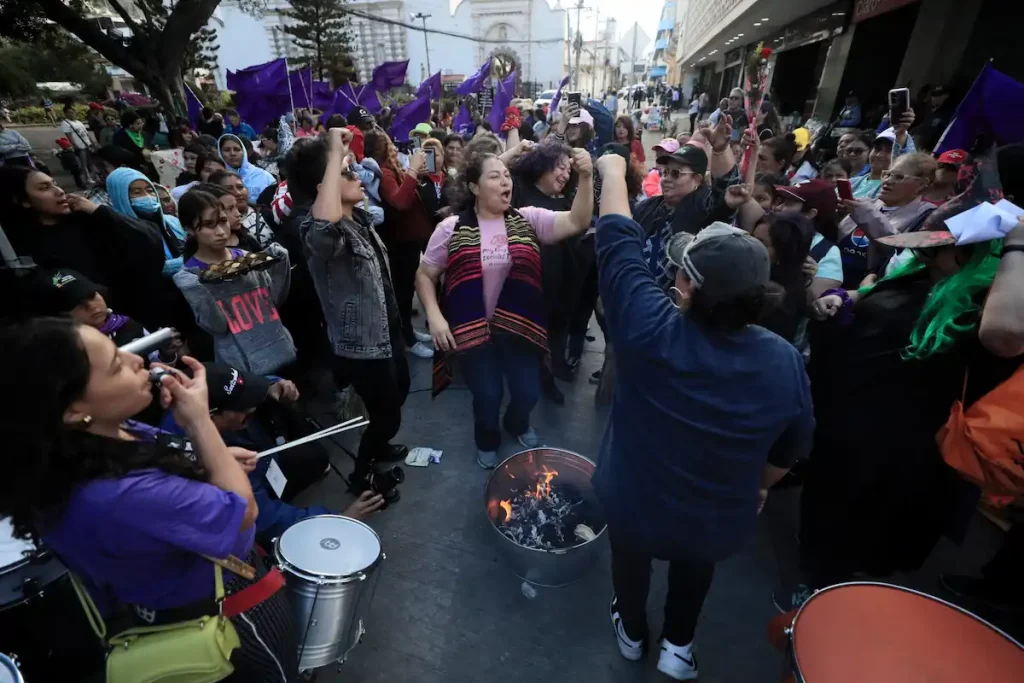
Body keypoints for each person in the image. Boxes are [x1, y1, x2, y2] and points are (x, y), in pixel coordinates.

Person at [591, 152, 813, 682]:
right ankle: (678, 645)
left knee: (630, 562)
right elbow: (790, 448)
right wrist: (759, 487)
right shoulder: (783, 361)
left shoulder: (649, 329)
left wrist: (613, 171)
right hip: (716, 518)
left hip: (634, 504)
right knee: (696, 568)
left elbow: (618, 239)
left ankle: (631, 632)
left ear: (686, 287)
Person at [0, 319, 299, 681]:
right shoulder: (117, 494)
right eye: (115, 366)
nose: (137, 362)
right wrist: (201, 422)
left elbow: (165, 457)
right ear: (74, 410)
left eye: (121, 352)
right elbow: (244, 511)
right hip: (226, 610)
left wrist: (209, 457)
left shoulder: (95, 441)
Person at [781, 207, 1024, 612]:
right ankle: (823, 575)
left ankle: (826, 602)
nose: (923, 255)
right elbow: (875, 300)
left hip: (903, 448)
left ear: (972, 254)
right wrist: (843, 300)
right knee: (830, 508)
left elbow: (1006, 335)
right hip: (847, 421)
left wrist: (1017, 242)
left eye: (937, 249)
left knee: (865, 526)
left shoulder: (984, 306)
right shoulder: (919, 274)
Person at [415, 146, 594, 468]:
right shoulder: (450, 228)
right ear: (474, 187)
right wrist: (435, 317)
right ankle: (487, 438)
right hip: (474, 333)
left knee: (527, 393)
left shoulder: (529, 219)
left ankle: (517, 423)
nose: (504, 182)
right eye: (494, 176)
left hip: (519, 328)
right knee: (487, 396)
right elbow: (426, 275)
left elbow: (578, 220)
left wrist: (586, 176)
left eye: (507, 176)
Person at [294, 128, 410, 499]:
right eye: (346, 172)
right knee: (388, 414)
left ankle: (378, 441)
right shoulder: (318, 232)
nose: (357, 176)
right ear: (322, 184)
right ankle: (362, 472)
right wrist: (331, 154)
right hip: (361, 345)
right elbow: (324, 228)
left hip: (388, 331)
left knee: (398, 393)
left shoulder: (358, 218)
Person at [0, 166, 171, 327]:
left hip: (133, 316)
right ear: (23, 201)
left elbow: (150, 240)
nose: (59, 191)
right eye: (44, 188)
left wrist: (99, 211)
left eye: (55, 184)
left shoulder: (88, 220)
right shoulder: (16, 251)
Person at [174, 188, 295, 375]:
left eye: (222, 221)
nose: (221, 232)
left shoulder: (247, 258)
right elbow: (217, 326)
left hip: (280, 350)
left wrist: (280, 265)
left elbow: (273, 301)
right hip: (242, 367)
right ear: (190, 229)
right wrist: (195, 289)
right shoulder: (191, 276)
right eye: (209, 225)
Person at [508, 139, 581, 402]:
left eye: (568, 171)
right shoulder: (518, 191)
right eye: (559, 167)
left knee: (553, 337)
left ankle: (548, 378)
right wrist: (516, 150)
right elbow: (494, 170)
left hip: (558, 285)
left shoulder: (565, 202)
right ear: (543, 165)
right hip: (524, 287)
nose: (564, 174)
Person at [368, 129, 437, 359]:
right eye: (390, 146)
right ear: (382, 150)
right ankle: (406, 339)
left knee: (406, 291)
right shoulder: (386, 173)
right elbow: (400, 202)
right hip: (399, 242)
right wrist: (413, 170)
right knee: (402, 292)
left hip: (408, 241)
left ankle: (409, 331)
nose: (396, 149)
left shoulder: (392, 170)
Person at [835, 153, 937, 288]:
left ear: (921, 184)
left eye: (899, 177)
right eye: (887, 174)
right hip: (833, 274)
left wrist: (868, 217)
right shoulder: (866, 203)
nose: (888, 181)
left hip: (868, 286)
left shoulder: (927, 216)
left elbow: (900, 256)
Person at [106, 167, 188, 277]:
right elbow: (145, 270)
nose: (147, 196)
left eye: (150, 190)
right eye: (137, 192)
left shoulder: (172, 222)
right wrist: (189, 261)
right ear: (120, 197)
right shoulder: (118, 234)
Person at [209, 169, 275, 248]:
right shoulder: (217, 230)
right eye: (229, 189)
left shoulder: (264, 212)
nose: (238, 193)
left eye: (240, 187)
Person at [193, 181, 262, 253]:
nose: (238, 214)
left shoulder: (246, 238)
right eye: (229, 209)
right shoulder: (206, 254)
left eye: (236, 207)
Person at [218, 133, 275, 199]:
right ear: (220, 153)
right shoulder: (217, 179)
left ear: (244, 152)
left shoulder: (264, 177)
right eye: (227, 150)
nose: (232, 153)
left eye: (236, 149)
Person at [61, 105, 96, 185]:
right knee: (83, 163)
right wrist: (75, 145)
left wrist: (92, 142)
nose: (71, 114)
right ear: (65, 114)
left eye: (72, 112)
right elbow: (69, 136)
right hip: (80, 146)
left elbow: (86, 134)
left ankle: (94, 177)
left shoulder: (79, 122)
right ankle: (87, 178)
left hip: (87, 144)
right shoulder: (66, 123)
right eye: (69, 113)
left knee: (91, 162)